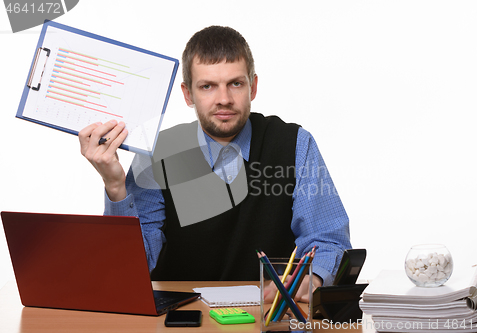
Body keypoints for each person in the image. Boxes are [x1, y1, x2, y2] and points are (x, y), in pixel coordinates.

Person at [78, 26, 351, 302]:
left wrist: (312, 277)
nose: (224, 99)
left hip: (266, 314)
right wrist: (115, 186)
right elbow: (131, 268)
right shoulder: (157, 154)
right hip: (182, 316)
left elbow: (328, 240)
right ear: (188, 94)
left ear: (253, 87)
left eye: (236, 83)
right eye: (207, 86)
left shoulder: (295, 145)